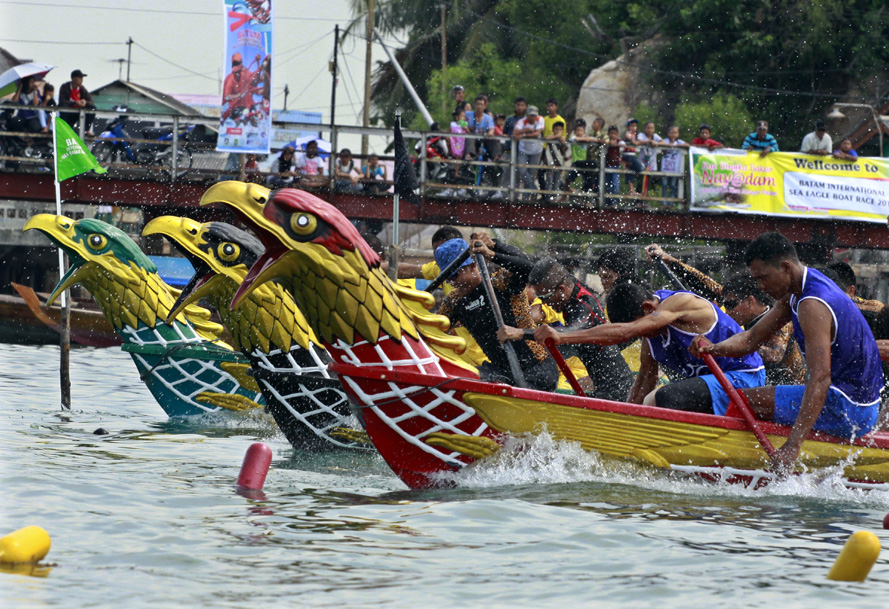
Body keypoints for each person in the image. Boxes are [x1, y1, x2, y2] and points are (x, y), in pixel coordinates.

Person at [693, 232, 883, 470]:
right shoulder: (797, 291)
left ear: (785, 267)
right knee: (753, 399)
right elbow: (751, 339)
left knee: (745, 400)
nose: (761, 286)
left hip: (848, 408)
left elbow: (820, 378)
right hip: (860, 405)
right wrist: (713, 348)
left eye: (763, 278)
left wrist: (793, 446)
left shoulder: (812, 303)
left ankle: (727, 463)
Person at [535, 281, 765, 414]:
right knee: (648, 401)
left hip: (743, 379)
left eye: (641, 327)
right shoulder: (651, 337)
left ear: (647, 308)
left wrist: (564, 337)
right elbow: (644, 382)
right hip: (714, 386)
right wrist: (624, 421)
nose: (641, 335)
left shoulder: (680, 304)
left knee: (666, 396)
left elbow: (624, 332)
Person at [646, 243, 805, 386]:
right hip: (753, 379)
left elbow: (774, 355)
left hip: (787, 385)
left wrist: (731, 341)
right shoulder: (735, 295)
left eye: (730, 305)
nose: (726, 311)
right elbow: (702, 282)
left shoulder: (780, 320)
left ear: (750, 301)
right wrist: (668, 259)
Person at [498, 258, 635, 401]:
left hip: (619, 394)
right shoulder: (569, 286)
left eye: (545, 297)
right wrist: (494, 251)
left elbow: (568, 332)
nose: (544, 303)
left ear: (562, 289)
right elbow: (531, 266)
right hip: (602, 388)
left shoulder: (585, 306)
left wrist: (521, 333)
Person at [436, 235, 558, 391]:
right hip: (503, 371)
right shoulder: (454, 301)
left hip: (538, 369)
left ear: (473, 265)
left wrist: (493, 250)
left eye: (454, 276)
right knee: (457, 378)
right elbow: (433, 328)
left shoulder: (500, 282)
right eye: (447, 279)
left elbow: (529, 268)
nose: (452, 283)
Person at [512, 105, 545, 200]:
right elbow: (514, 133)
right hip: (524, 150)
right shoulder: (522, 122)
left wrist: (522, 135)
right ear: (527, 115)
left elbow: (536, 134)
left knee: (531, 173)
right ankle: (533, 188)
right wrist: (526, 130)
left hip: (536, 150)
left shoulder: (540, 120)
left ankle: (525, 196)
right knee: (521, 169)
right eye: (531, 115)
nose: (532, 118)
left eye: (534, 116)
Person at [58, 70, 97, 135]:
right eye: (80, 77)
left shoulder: (82, 89)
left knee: (92, 108)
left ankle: (86, 130)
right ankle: (63, 128)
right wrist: (75, 102)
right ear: (73, 78)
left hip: (78, 113)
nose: (81, 80)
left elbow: (90, 101)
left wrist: (85, 102)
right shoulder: (65, 87)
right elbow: (62, 101)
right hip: (67, 113)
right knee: (64, 107)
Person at [222, 53, 255, 122]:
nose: (238, 74)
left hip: (247, 106)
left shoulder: (245, 73)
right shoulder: (229, 80)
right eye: (236, 63)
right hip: (235, 109)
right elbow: (227, 97)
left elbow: (255, 79)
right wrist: (238, 95)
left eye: (239, 63)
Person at [660, 126, 687, 204]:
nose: (673, 134)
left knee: (673, 185)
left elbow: (687, 145)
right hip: (665, 167)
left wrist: (677, 146)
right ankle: (663, 203)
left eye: (675, 132)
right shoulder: (665, 141)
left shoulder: (679, 142)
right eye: (671, 132)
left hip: (675, 168)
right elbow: (662, 151)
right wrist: (667, 146)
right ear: (668, 133)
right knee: (664, 185)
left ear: (678, 134)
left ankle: (671, 203)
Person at [636, 121, 663, 199]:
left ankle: (644, 200)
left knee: (647, 183)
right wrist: (649, 142)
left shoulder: (655, 136)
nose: (650, 130)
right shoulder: (642, 135)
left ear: (654, 129)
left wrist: (656, 143)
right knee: (640, 182)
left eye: (651, 128)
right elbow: (639, 141)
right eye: (648, 128)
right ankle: (638, 201)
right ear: (644, 129)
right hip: (642, 163)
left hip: (651, 164)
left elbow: (664, 142)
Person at [543, 120, 568, 195]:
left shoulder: (563, 139)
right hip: (550, 163)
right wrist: (557, 136)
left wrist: (563, 143)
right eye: (556, 129)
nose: (558, 131)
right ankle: (548, 196)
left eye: (560, 130)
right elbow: (546, 139)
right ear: (553, 130)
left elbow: (564, 152)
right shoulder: (551, 137)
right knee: (549, 180)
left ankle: (554, 197)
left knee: (557, 181)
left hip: (559, 163)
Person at [622, 118, 644, 196]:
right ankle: (627, 162)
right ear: (628, 127)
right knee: (640, 168)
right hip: (629, 155)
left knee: (630, 173)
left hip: (631, 156)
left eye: (635, 126)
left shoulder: (634, 135)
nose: (634, 127)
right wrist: (634, 142)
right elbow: (627, 137)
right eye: (632, 126)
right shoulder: (628, 134)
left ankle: (631, 190)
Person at [603, 126, 624, 206]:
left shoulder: (619, 142)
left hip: (615, 166)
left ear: (617, 134)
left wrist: (616, 144)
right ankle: (608, 202)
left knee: (615, 184)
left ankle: (614, 201)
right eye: (611, 133)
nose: (612, 135)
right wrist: (608, 143)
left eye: (614, 133)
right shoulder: (606, 142)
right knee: (608, 184)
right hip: (607, 166)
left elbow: (623, 146)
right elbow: (603, 144)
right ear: (608, 134)